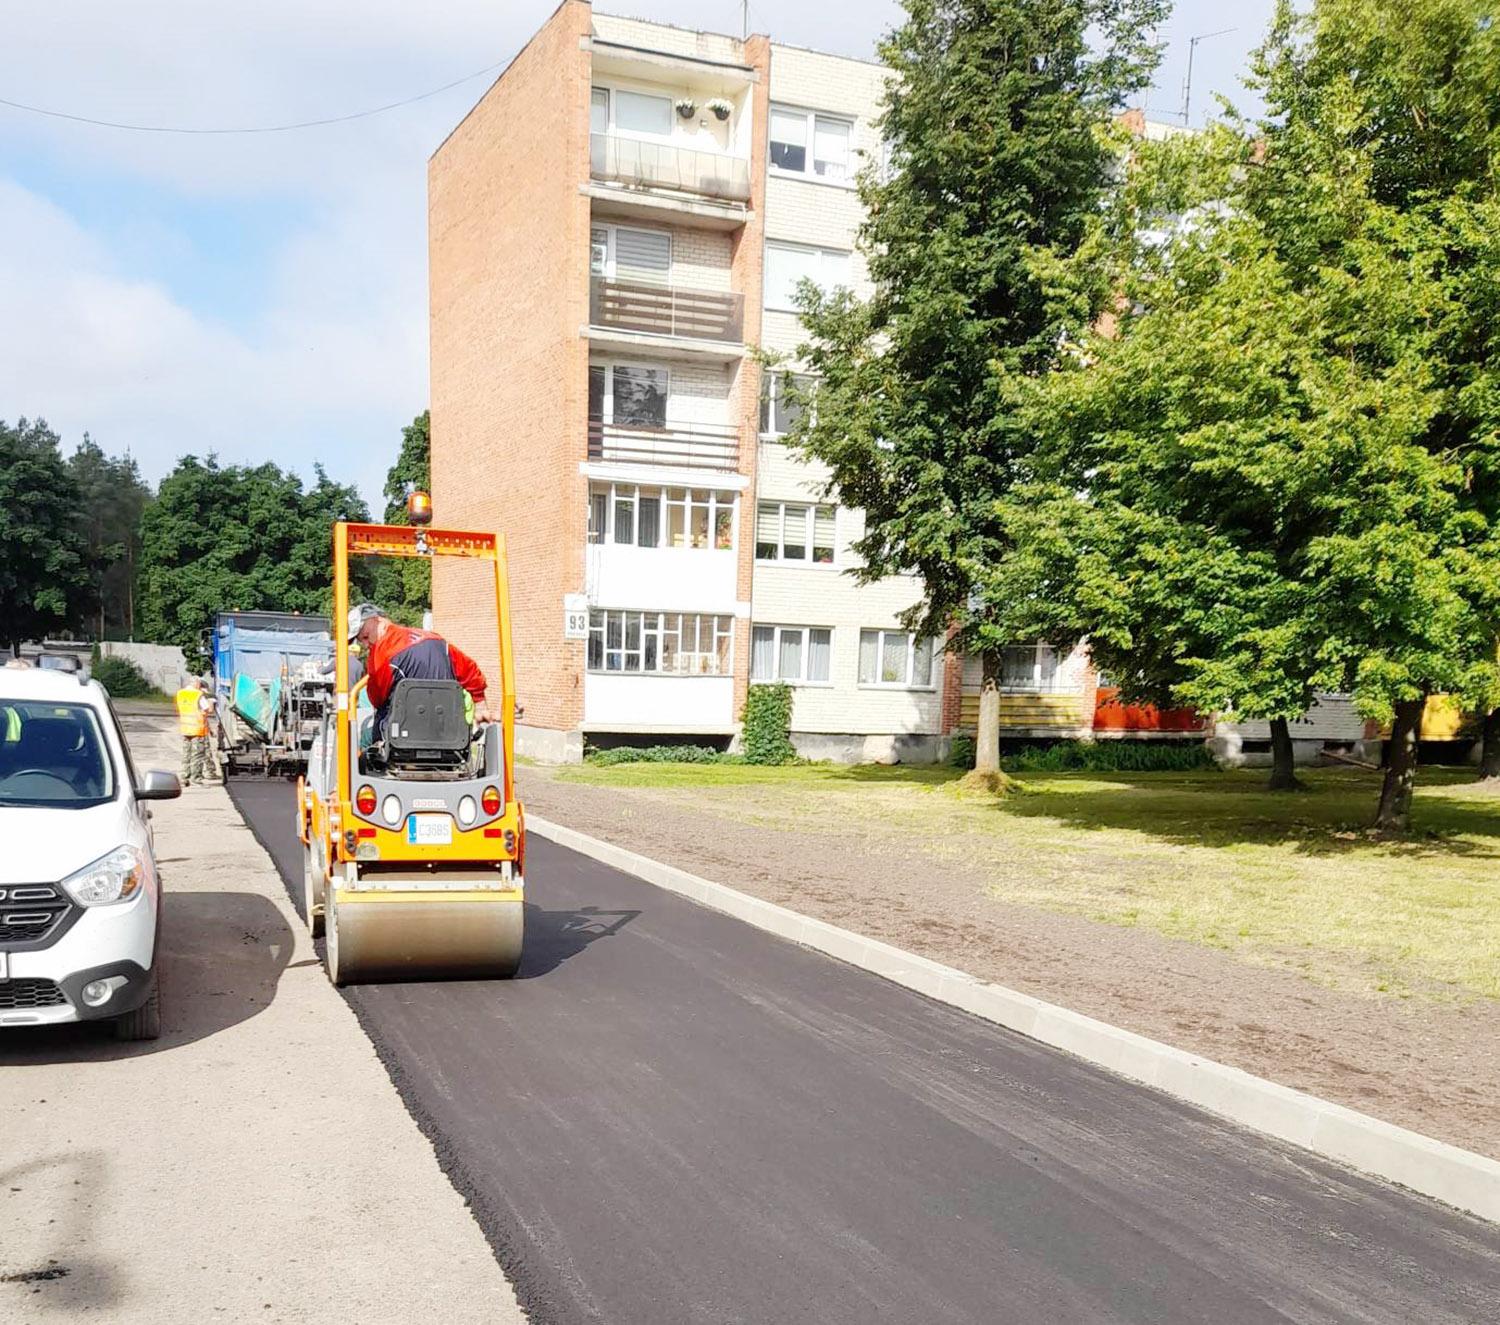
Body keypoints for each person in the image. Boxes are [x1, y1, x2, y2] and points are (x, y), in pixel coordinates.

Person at [347, 604, 490, 739]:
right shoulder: (436, 639)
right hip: (448, 733)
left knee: (363, 737)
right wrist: (480, 704)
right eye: (361, 641)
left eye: (365, 637)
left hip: (403, 736)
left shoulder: (381, 653)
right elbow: (470, 670)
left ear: (378, 621)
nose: (366, 645)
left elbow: (377, 698)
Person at [175, 676, 217, 786]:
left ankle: (184, 778)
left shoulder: (180, 693)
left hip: (185, 729)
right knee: (197, 755)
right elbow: (208, 709)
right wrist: (211, 700)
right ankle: (196, 778)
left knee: (186, 754)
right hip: (197, 729)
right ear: (197, 683)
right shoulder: (198, 695)